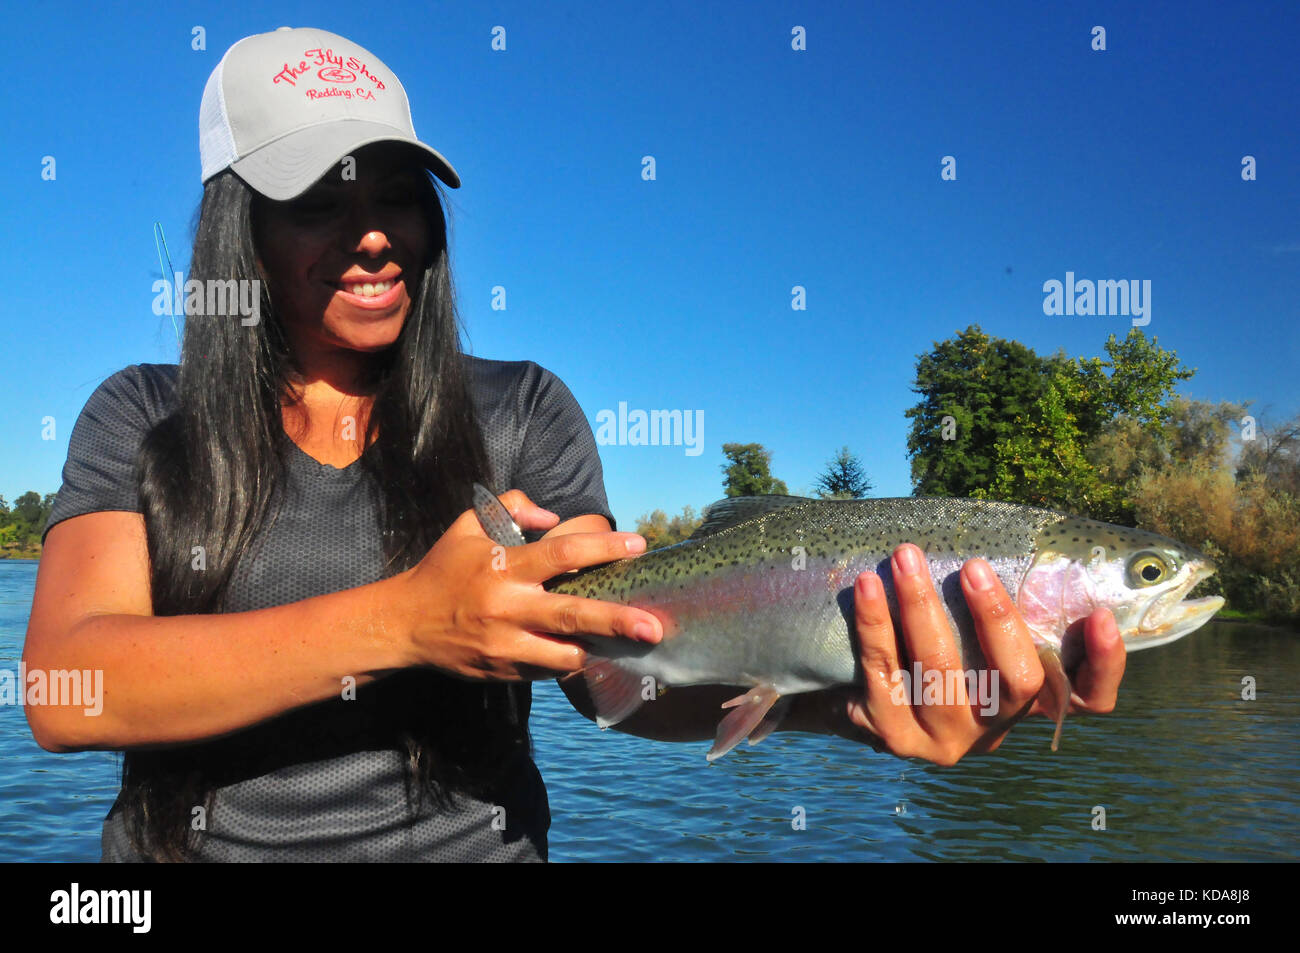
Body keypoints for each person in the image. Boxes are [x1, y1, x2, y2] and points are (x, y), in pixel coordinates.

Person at [23, 26, 1125, 863]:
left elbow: (615, 680)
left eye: (400, 197)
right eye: (319, 198)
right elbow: (69, 686)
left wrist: (829, 701)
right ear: (240, 227)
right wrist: (409, 620)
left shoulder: (523, 410)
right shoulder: (141, 414)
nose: (374, 234)